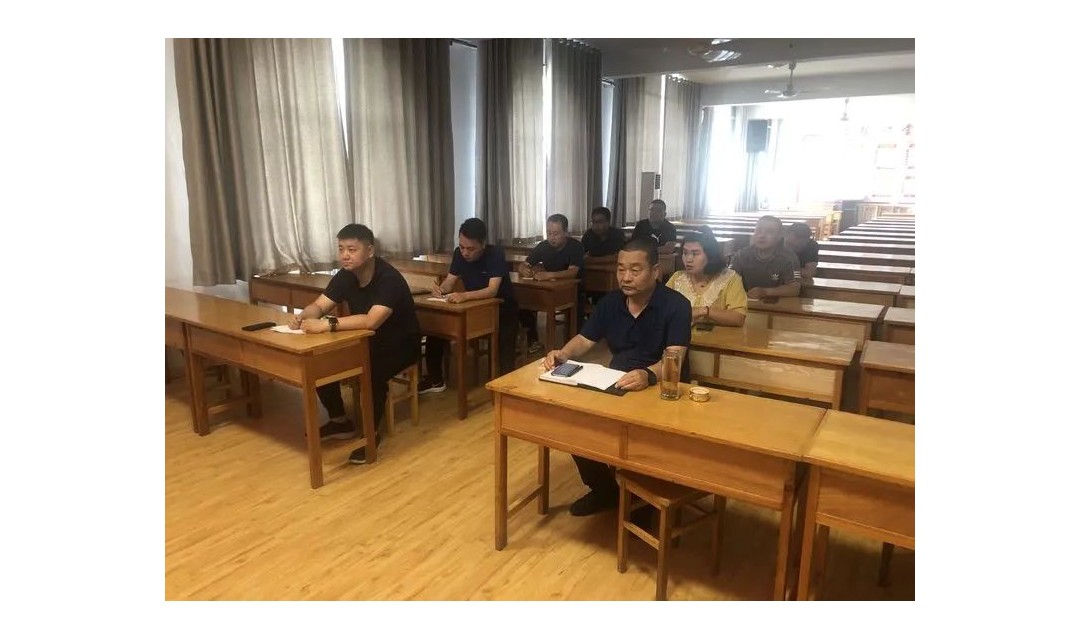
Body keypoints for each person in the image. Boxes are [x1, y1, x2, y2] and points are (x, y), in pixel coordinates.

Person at [542, 238, 691, 516]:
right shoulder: (611, 302)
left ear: (655, 271)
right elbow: (585, 339)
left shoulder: (676, 305)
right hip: (618, 381)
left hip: (661, 386)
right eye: (621, 269)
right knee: (577, 427)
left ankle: (645, 502)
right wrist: (563, 353)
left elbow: (674, 358)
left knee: (642, 442)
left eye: (635, 270)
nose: (626, 277)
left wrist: (647, 375)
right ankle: (605, 491)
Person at [288, 223, 421, 464]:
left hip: (400, 344)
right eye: (341, 249)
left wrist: (327, 325)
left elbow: (371, 321)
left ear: (369, 251)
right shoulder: (346, 275)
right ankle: (340, 421)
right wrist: (303, 317)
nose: (345, 255)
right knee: (322, 360)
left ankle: (370, 433)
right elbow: (319, 305)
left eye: (352, 249)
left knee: (371, 369)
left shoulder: (389, 279)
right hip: (365, 340)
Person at [420, 218, 520, 393]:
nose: (465, 252)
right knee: (437, 328)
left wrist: (464, 296)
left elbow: (492, 291)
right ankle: (435, 380)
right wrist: (440, 290)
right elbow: (450, 282)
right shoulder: (459, 254)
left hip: (503, 309)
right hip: (475, 307)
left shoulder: (495, 254)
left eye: (470, 249)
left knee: (504, 347)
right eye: (462, 247)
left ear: (483, 244)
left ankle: (507, 389)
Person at [518, 213, 585, 355]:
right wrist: (525, 270)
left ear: (565, 233)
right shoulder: (543, 246)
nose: (551, 238)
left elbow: (572, 272)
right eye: (549, 233)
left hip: (574, 290)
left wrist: (549, 275)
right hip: (550, 288)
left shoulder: (575, 246)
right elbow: (524, 265)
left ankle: (571, 347)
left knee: (577, 310)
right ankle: (534, 341)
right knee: (523, 301)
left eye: (556, 234)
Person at [666, 229, 747, 328]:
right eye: (685, 253)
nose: (688, 259)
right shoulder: (677, 278)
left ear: (710, 255)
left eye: (695, 254)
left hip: (719, 337)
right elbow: (660, 309)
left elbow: (738, 318)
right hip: (680, 335)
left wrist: (704, 311)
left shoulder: (730, 278)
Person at [729, 215, 801, 299]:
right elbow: (729, 282)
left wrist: (765, 292)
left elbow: (795, 289)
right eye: (758, 230)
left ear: (779, 236)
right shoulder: (741, 255)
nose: (762, 235)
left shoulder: (789, 258)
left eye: (769, 232)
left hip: (777, 304)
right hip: (745, 302)